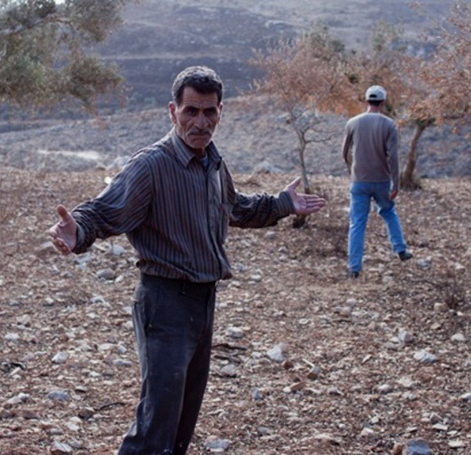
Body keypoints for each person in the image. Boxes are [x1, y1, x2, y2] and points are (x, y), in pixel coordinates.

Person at [48, 66, 326, 455]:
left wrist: (283, 203)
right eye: (191, 111)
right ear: (172, 111)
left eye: (209, 112)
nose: (200, 121)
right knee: (155, 427)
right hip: (164, 303)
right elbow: (105, 211)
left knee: (181, 423)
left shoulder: (212, 162)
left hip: (202, 301)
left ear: (220, 112)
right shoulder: (151, 165)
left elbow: (239, 208)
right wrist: (76, 230)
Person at [341, 85, 412, 279]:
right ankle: (400, 249)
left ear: (366, 102)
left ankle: (354, 268)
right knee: (388, 212)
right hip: (381, 181)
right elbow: (393, 157)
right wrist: (396, 183)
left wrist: (353, 170)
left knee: (357, 223)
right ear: (382, 103)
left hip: (359, 181)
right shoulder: (389, 125)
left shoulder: (352, 123)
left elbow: (344, 152)